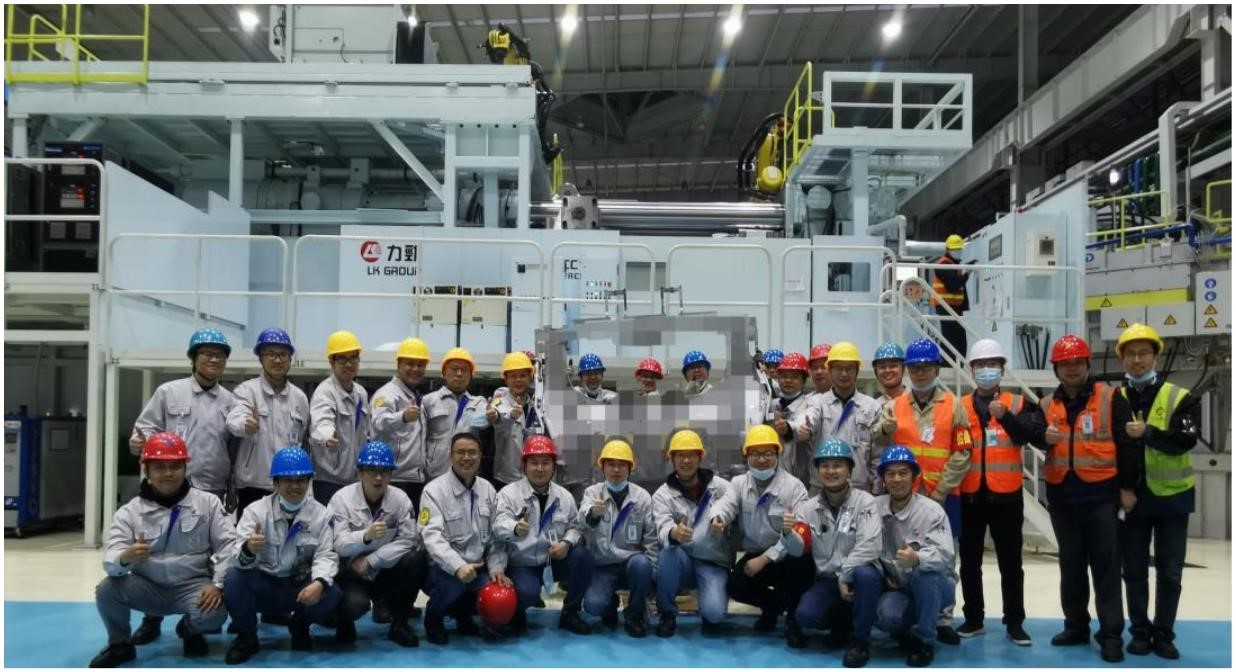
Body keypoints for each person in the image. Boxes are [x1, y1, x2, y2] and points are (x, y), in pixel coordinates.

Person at [1034, 334, 1140, 663]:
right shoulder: (1046, 404)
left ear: (1087, 364)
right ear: (1056, 368)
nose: (1071, 368)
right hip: (1063, 499)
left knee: (1106, 568)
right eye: (1065, 364)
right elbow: (1034, 437)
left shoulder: (1111, 398)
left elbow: (1128, 444)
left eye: (1077, 362)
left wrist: (1127, 488)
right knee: (1072, 567)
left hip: (1101, 498)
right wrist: (1041, 436)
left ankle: (1111, 635)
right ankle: (1076, 626)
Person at [89, 433, 237, 668]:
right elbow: (111, 558)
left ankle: (190, 630)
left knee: (214, 614)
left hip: (192, 585)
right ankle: (120, 644)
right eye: (159, 467)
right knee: (107, 590)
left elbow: (228, 545)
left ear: (185, 468)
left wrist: (217, 584)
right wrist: (125, 557)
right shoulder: (130, 512)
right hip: (148, 586)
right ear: (146, 470)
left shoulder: (207, 504)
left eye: (175, 466)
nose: (168, 473)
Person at [128, 327, 235, 644]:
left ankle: (194, 621)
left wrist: (231, 487)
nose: (213, 359)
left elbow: (234, 449)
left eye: (220, 355)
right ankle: (151, 617)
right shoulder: (168, 392)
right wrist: (138, 443)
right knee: (156, 549)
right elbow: (144, 430)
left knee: (201, 554)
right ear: (193, 358)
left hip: (210, 489)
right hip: (165, 487)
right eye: (207, 354)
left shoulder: (230, 401)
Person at [873, 338, 971, 645]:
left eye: (926, 367)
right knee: (901, 552)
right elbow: (876, 439)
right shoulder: (894, 406)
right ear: (907, 371)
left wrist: (942, 489)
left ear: (937, 369)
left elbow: (964, 450)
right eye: (914, 368)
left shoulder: (954, 405)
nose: (920, 373)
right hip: (903, 495)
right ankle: (909, 610)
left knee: (944, 557)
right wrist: (885, 430)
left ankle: (942, 619)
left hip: (944, 495)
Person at [1115, 324, 1198, 660]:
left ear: (1155, 356)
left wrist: (1148, 432)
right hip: (1132, 499)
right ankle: (1139, 631)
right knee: (1133, 570)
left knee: (1170, 570)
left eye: (1144, 353)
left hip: (1173, 498)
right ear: (1122, 359)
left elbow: (1186, 440)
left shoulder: (1181, 397)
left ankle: (1163, 634)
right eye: (1131, 354)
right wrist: (1122, 490)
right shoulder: (1114, 398)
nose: (1137, 360)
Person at [956, 339, 1043, 645]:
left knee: (1011, 563)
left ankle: (1015, 622)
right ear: (972, 369)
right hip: (970, 495)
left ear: (1002, 369)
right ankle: (973, 618)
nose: (986, 370)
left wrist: (1005, 416)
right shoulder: (959, 406)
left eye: (992, 364)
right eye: (981, 365)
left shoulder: (1018, 403)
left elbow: (1027, 436)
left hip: (1007, 496)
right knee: (969, 562)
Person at [222, 446, 342, 664]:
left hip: (298, 586)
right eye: (287, 480)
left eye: (301, 480)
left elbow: (326, 555)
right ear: (275, 483)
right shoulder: (255, 512)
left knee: (331, 591)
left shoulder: (322, 515)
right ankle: (247, 636)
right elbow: (235, 556)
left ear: (309, 482)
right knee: (233, 579)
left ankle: (300, 625)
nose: (295, 486)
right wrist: (249, 549)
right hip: (265, 586)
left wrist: (319, 583)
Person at [784, 438, 883, 667]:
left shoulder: (866, 502)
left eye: (838, 465)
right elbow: (798, 550)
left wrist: (845, 574)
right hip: (827, 579)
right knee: (806, 615)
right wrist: (788, 534)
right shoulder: (808, 508)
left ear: (850, 470)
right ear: (817, 470)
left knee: (866, 575)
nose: (831, 471)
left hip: (858, 576)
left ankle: (860, 641)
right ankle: (843, 624)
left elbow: (871, 545)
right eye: (825, 466)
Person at [709, 424, 811, 632]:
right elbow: (726, 504)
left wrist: (766, 558)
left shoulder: (794, 487)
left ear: (777, 454)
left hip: (786, 555)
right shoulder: (738, 483)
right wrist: (717, 517)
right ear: (746, 455)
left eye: (768, 454)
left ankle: (794, 620)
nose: (762, 459)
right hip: (756, 553)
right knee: (736, 584)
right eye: (756, 454)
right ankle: (773, 607)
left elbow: (800, 534)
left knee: (802, 568)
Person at [328, 440, 425, 648]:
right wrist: (365, 536)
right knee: (353, 604)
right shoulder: (341, 500)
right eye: (372, 471)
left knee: (415, 559)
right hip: (352, 573)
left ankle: (400, 624)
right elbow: (337, 544)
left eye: (384, 471)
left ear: (391, 475)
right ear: (359, 474)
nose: (378, 477)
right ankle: (345, 622)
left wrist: (372, 560)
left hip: (385, 571)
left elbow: (409, 540)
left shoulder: (401, 500)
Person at [493, 435, 593, 635]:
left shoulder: (564, 496)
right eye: (534, 463)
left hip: (553, 561)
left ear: (554, 466)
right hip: (522, 563)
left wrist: (566, 543)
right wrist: (514, 528)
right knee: (527, 593)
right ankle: (516, 613)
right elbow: (497, 526)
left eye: (546, 463)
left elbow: (575, 527)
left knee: (583, 556)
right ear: (524, 466)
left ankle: (570, 613)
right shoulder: (508, 494)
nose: (540, 469)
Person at [419, 432, 511, 644]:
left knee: (498, 590)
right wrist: (458, 566)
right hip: (441, 568)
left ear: (480, 456)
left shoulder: (488, 489)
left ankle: (463, 614)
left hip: (477, 567)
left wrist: (496, 568)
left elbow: (496, 537)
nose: (467, 458)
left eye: (472, 452)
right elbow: (431, 537)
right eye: (460, 452)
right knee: (454, 585)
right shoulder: (433, 491)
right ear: (450, 456)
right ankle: (433, 619)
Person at [873, 446, 957, 668]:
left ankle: (924, 641)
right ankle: (908, 627)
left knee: (926, 573)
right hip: (899, 587)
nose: (897, 479)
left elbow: (945, 554)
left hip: (936, 586)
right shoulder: (874, 508)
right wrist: (882, 576)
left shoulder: (932, 511)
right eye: (890, 474)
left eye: (903, 473)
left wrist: (917, 558)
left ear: (914, 477)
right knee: (886, 618)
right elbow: (864, 548)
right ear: (883, 479)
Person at [651, 429, 734, 636]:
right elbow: (662, 526)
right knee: (668, 553)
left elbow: (732, 507)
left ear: (700, 457)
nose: (686, 461)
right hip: (683, 561)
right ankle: (667, 613)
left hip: (713, 562)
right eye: (680, 455)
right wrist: (673, 533)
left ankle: (708, 609)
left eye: (691, 455)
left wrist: (722, 520)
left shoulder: (721, 487)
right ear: (671, 459)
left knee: (714, 614)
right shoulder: (662, 494)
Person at [578, 439, 658, 638]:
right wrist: (593, 515)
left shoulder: (642, 497)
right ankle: (609, 604)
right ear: (602, 467)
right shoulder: (592, 493)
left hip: (632, 563)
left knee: (643, 564)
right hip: (602, 564)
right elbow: (582, 520)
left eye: (621, 465)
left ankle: (635, 614)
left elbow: (651, 539)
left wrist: (653, 575)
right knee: (593, 606)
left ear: (630, 468)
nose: (616, 470)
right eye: (610, 464)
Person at [228, 328, 309, 515]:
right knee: (251, 533)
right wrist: (245, 424)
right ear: (260, 358)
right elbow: (234, 419)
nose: (277, 360)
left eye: (282, 354)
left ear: (290, 359)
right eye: (271, 354)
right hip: (253, 485)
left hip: (290, 484)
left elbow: (303, 441)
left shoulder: (300, 398)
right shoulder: (247, 391)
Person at [792, 342, 883, 495]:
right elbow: (807, 418)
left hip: (859, 489)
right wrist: (802, 428)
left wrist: (877, 490)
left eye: (849, 368)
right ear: (830, 370)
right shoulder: (817, 402)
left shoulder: (871, 407)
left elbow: (877, 454)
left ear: (857, 371)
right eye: (838, 368)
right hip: (821, 487)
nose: (844, 374)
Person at [309, 330, 370, 505]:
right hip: (328, 480)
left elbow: (366, 432)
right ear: (331, 361)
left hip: (355, 479)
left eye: (353, 358)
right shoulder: (325, 392)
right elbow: (321, 421)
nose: (348, 364)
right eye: (342, 359)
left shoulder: (361, 393)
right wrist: (327, 437)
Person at [369, 337, 431, 509]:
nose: (415, 369)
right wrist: (402, 417)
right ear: (398, 364)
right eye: (410, 364)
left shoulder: (413, 395)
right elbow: (378, 422)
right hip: (394, 479)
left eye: (420, 365)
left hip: (415, 479)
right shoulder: (387, 393)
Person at [421, 348, 490, 481]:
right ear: (444, 372)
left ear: (470, 375)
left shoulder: (479, 403)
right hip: (435, 473)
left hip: (467, 473)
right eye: (454, 369)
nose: (459, 374)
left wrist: (494, 415)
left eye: (464, 370)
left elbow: (487, 422)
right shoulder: (429, 401)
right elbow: (420, 438)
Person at [488, 352, 549, 490]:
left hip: (534, 475)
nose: (518, 380)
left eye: (522, 375)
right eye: (513, 376)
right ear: (506, 379)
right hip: (506, 477)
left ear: (530, 377)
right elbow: (498, 416)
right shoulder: (499, 401)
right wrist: (510, 415)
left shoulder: (536, 405)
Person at [766, 352, 813, 485]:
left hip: (802, 480)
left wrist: (787, 428)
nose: (788, 380)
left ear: (804, 380)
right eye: (784, 376)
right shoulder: (771, 405)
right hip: (772, 477)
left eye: (794, 377)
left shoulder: (810, 405)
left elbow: (801, 428)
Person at [931, 234, 971, 362]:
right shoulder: (943, 265)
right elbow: (953, 285)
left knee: (959, 338)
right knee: (951, 338)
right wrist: (967, 274)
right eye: (955, 249)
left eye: (959, 249)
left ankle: (958, 364)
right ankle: (948, 364)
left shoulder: (953, 264)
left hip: (954, 307)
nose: (958, 252)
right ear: (948, 250)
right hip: (946, 306)